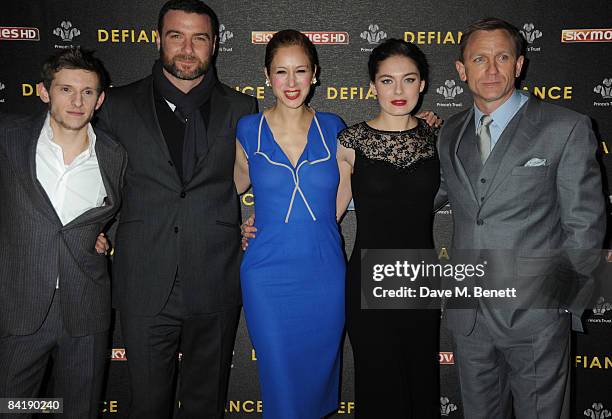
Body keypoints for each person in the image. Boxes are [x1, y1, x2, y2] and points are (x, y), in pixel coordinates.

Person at [434, 17, 605, 418]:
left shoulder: (566, 128)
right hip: (469, 315)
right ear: (462, 70)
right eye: (479, 59)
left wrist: (558, 305)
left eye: (502, 57)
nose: (491, 70)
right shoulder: (449, 132)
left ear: (520, 64)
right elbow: (421, 196)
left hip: (536, 318)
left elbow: (585, 227)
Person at [95, 0, 257, 417]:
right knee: (147, 405)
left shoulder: (242, 108)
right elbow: (92, 179)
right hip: (144, 279)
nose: (187, 49)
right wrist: (90, 230)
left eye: (199, 38)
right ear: (158, 39)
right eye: (176, 36)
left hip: (216, 276)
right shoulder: (115, 105)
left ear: (215, 44)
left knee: (207, 405)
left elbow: (266, 171)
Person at [0, 47, 126, 418]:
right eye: (66, 89)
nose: (76, 101)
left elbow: (121, 212)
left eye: (87, 92)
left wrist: (106, 238)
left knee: (78, 411)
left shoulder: (115, 155)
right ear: (44, 91)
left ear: (100, 99)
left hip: (85, 310)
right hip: (19, 307)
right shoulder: (8, 138)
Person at [233, 29, 346, 418]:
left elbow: (348, 190)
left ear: (315, 73)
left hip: (324, 270)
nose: (292, 82)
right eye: (281, 72)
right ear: (267, 77)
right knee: (280, 384)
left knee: (316, 387)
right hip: (267, 275)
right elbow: (218, 191)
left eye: (300, 71)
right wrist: (237, 228)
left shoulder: (334, 127)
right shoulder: (248, 130)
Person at [335, 39, 441, 417]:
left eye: (408, 80)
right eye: (387, 81)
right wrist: (260, 224)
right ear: (371, 86)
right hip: (368, 275)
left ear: (423, 84)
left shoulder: (436, 138)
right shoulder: (349, 141)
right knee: (379, 383)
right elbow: (327, 211)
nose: (398, 91)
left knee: (420, 380)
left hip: (419, 274)